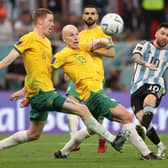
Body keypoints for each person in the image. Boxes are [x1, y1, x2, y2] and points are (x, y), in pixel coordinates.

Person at [0, 8, 126, 154]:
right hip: (44, 93)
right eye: (50, 21)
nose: (53, 24)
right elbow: (8, 60)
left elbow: (42, 72)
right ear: (40, 21)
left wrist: (25, 92)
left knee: (33, 134)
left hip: (38, 93)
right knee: (82, 109)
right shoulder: (29, 38)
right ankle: (113, 140)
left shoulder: (47, 42)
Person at [52, 24, 161, 160]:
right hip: (93, 94)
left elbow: (109, 46)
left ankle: (63, 152)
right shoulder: (62, 55)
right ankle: (147, 154)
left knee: (91, 130)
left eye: (76, 34)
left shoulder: (83, 46)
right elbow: (49, 69)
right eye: (71, 35)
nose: (75, 37)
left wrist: (102, 41)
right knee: (126, 116)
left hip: (93, 95)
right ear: (63, 39)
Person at [66, 5, 114, 153]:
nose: (90, 16)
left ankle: (102, 139)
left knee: (97, 116)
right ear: (83, 16)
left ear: (97, 17)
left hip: (96, 76)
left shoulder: (104, 32)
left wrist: (94, 49)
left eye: (93, 13)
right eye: (87, 13)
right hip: (80, 75)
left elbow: (111, 52)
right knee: (70, 102)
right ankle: (73, 139)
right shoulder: (78, 35)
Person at [130, 22, 168, 159]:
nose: (165, 37)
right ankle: (160, 146)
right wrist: (145, 63)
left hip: (156, 84)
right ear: (156, 34)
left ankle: (142, 142)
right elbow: (135, 57)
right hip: (137, 87)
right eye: (162, 33)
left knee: (149, 100)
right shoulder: (144, 44)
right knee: (143, 120)